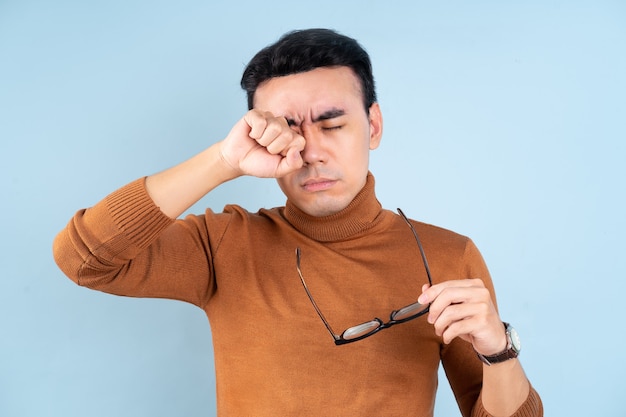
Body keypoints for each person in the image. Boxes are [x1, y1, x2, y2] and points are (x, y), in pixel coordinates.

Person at [53, 28, 542, 416]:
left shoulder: (448, 255)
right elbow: (83, 259)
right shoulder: (224, 242)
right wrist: (223, 161)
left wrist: (499, 348)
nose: (311, 151)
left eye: (331, 125)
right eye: (286, 129)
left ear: (372, 126)